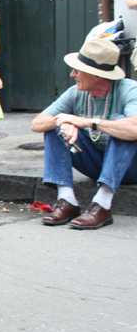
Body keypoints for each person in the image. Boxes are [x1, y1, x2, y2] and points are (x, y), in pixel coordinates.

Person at [31, 38, 137, 229]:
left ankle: (102, 204)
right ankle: (67, 201)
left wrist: (89, 123)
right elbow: (37, 123)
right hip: (96, 165)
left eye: (77, 70)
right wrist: (65, 121)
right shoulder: (75, 93)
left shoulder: (129, 90)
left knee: (123, 124)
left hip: (131, 167)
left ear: (95, 75)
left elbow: (135, 129)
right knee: (54, 126)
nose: (72, 74)